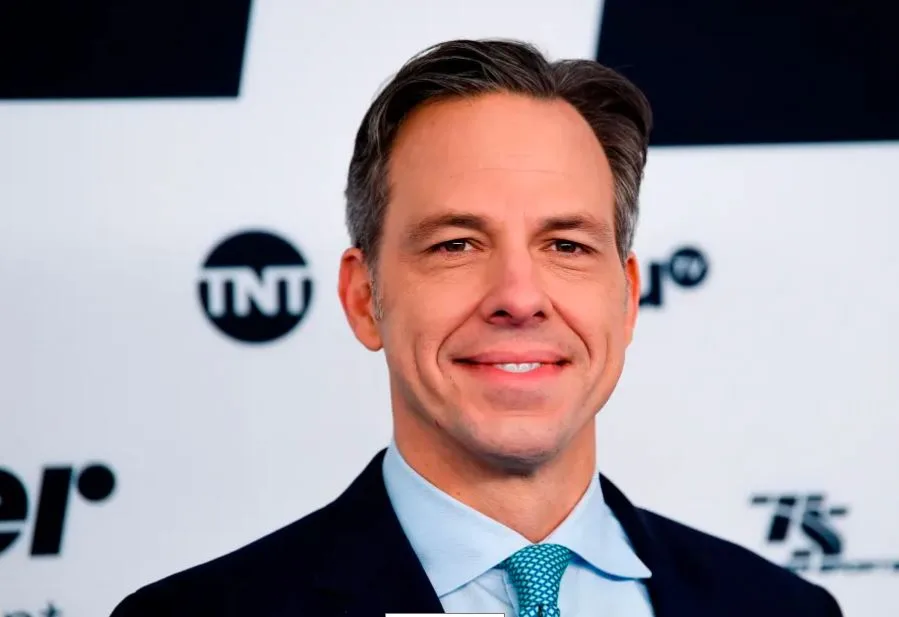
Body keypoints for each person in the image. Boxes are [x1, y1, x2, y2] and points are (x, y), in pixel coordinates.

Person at [110, 39, 843, 617]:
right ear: (363, 298)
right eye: (456, 244)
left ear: (626, 301)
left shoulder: (782, 609)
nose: (518, 297)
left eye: (566, 245)